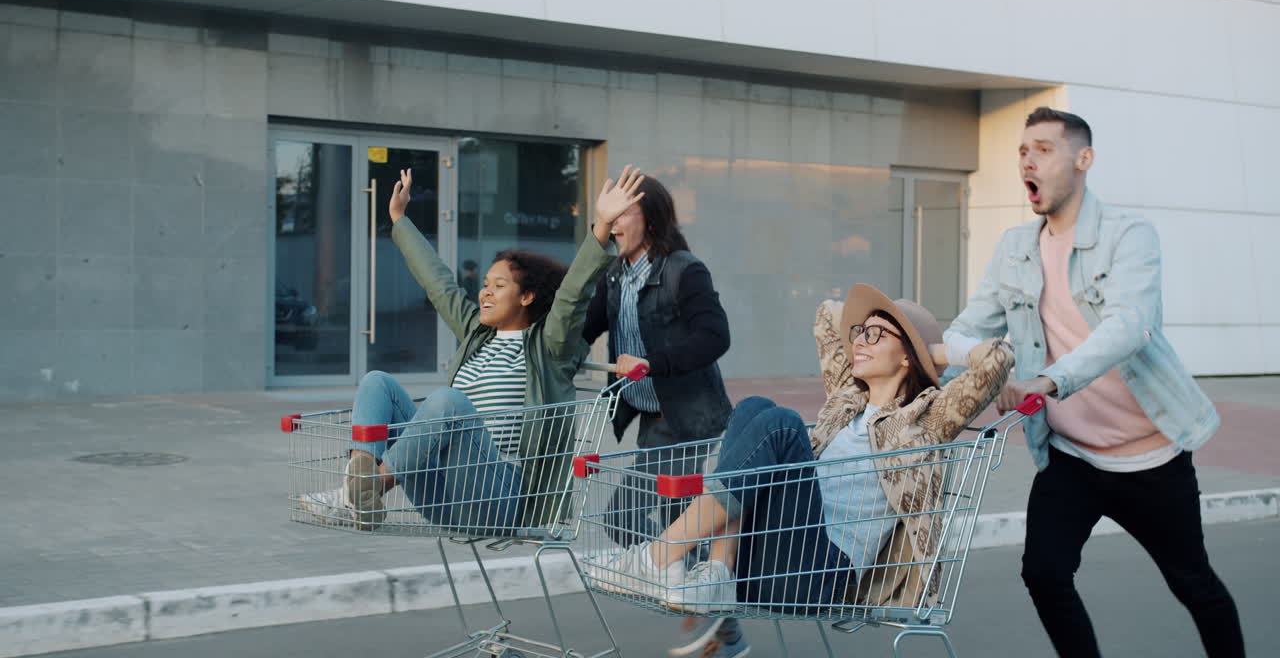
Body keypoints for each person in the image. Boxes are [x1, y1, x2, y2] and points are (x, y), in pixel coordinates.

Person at [942, 107, 1245, 657]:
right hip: (1070, 457)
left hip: (1150, 460)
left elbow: (1129, 325)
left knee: (1193, 584)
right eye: (1022, 150)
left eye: (1043, 148)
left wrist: (1049, 381)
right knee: (1044, 573)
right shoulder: (1014, 247)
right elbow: (967, 329)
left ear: (1083, 160)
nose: (1027, 159)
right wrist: (929, 371)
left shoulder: (1129, 236)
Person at [587, 284, 1013, 658]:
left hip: (818, 572)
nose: (861, 340)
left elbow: (996, 360)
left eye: (877, 334)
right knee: (756, 409)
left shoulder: (928, 419)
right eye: (861, 332)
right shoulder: (844, 400)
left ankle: (660, 556)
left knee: (781, 425)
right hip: (770, 558)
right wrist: (884, 334)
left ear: (908, 356)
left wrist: (931, 352)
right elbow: (827, 315)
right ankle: (716, 572)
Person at [299, 166, 648, 532]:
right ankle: (356, 491)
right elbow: (439, 284)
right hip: (446, 494)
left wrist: (601, 228)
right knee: (377, 382)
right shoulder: (475, 334)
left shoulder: (549, 345)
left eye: (499, 285)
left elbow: (574, 295)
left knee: (449, 402)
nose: (485, 292)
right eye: (485, 284)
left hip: (501, 497)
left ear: (527, 296)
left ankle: (367, 489)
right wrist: (399, 220)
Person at [580, 175, 736, 654]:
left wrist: (655, 363)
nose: (611, 222)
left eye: (621, 213)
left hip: (687, 419)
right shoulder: (613, 275)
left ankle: (696, 595)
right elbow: (581, 327)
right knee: (676, 525)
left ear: (651, 217)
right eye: (605, 213)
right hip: (653, 418)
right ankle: (721, 629)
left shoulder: (682, 270)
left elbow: (715, 337)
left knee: (624, 517)